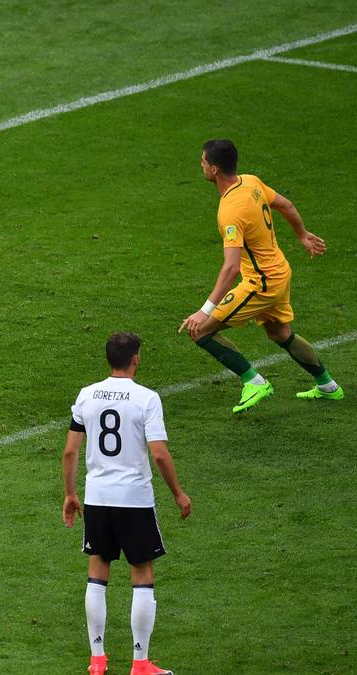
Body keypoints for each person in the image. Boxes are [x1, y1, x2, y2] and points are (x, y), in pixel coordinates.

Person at [179, 139, 342, 413]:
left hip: (261, 284)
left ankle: (254, 381)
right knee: (279, 332)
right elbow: (286, 205)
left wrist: (204, 310)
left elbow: (231, 267)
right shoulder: (251, 181)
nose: (201, 165)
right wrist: (302, 235)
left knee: (200, 330)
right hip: (280, 272)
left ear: (215, 169)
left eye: (203, 162)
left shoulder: (230, 211)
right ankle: (328, 386)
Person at [63, 332, 192, 675]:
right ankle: (140, 663)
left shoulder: (86, 395)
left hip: (97, 497)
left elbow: (70, 450)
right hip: (133, 498)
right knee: (142, 574)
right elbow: (160, 454)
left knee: (97, 572)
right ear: (135, 358)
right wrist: (178, 493)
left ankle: (98, 659)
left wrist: (70, 493)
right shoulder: (146, 399)